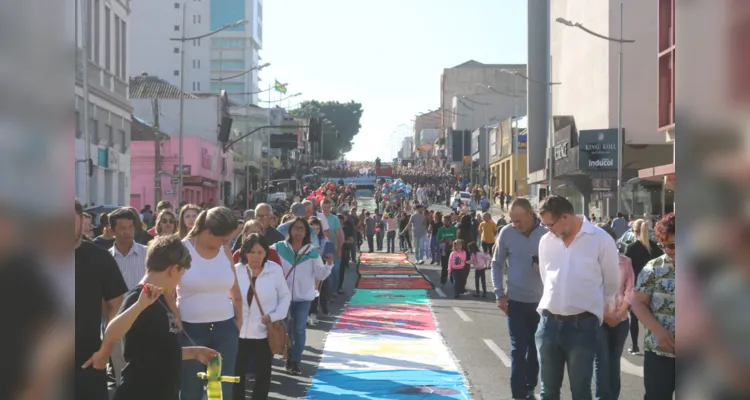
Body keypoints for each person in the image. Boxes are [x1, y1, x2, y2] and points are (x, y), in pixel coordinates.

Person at [82, 235, 217, 400]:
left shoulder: (160, 298)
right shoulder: (139, 297)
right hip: (140, 392)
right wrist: (140, 306)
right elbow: (112, 332)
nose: (179, 280)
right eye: (182, 273)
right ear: (173, 269)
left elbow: (157, 351)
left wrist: (194, 353)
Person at [536, 195, 620, 399]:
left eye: (550, 225)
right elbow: (546, 277)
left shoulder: (600, 239)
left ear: (565, 217)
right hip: (548, 323)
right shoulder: (547, 241)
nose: (548, 229)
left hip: (582, 326)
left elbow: (611, 282)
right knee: (548, 392)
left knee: (581, 391)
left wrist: (600, 308)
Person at [176, 207, 243, 400]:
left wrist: (237, 324)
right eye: (223, 239)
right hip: (191, 330)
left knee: (223, 391)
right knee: (190, 389)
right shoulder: (182, 249)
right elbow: (168, 292)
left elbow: (235, 291)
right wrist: (178, 321)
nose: (226, 243)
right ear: (208, 232)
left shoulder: (225, 250)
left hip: (226, 328)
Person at [491, 198, 546, 400]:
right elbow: (496, 264)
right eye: (512, 220)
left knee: (535, 351)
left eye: (519, 220)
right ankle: (518, 394)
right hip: (515, 301)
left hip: (541, 304)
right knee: (518, 350)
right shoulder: (507, 233)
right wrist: (499, 293)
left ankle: (530, 386)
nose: (515, 225)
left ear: (531, 214)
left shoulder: (546, 233)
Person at [75, 199, 128, 400]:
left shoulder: (100, 258)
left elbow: (116, 307)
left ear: (82, 220)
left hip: (88, 361)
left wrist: (105, 351)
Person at [272, 217, 333, 375]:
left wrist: (329, 264)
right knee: (285, 329)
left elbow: (320, 274)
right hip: (282, 298)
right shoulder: (278, 248)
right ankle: (287, 356)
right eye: (295, 228)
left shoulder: (311, 252)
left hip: (303, 298)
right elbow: (266, 262)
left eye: (301, 228)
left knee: (299, 329)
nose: (298, 231)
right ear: (289, 230)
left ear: (306, 232)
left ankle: (296, 360)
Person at [234, 234, 291, 400]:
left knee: (263, 374)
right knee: (237, 373)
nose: (256, 256)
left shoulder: (274, 270)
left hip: (264, 331)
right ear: (244, 253)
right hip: (239, 331)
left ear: (266, 253)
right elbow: (226, 296)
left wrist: (273, 316)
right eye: (252, 252)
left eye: (260, 252)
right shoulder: (236, 270)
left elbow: (285, 297)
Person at [631, 213, 675, 399]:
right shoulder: (654, 267)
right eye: (662, 245)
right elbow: (638, 303)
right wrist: (658, 330)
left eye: (672, 245)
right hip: (659, 352)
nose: (667, 250)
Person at [594, 224, 635, 400]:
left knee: (613, 360)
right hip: (599, 320)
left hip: (621, 319)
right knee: (601, 361)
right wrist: (606, 314)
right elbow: (590, 290)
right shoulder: (591, 263)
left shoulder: (625, 262)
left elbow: (630, 289)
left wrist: (620, 313)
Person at [623, 218, 662, 355]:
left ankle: (635, 346)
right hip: (654, 287)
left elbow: (625, 269)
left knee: (634, 318)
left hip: (636, 288)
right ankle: (652, 344)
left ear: (635, 232)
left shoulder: (631, 248)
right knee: (650, 317)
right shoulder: (655, 247)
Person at [437, 215, 457, 286]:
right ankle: (443, 279)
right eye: (444, 221)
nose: (446, 222)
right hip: (443, 249)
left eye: (447, 221)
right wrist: (441, 240)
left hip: (452, 249)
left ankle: (452, 278)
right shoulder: (440, 229)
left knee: (453, 264)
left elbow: (456, 238)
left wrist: (452, 240)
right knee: (444, 265)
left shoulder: (454, 229)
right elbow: (437, 239)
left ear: (450, 221)